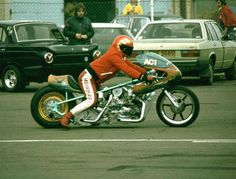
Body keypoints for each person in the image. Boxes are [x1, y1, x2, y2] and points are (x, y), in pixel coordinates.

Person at [59, 35, 154, 128]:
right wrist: (142, 77)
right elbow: (126, 69)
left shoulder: (120, 56)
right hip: (88, 77)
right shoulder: (114, 55)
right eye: (127, 48)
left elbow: (132, 66)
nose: (129, 50)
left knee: (104, 98)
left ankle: (93, 117)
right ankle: (67, 117)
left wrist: (146, 72)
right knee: (91, 100)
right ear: (120, 47)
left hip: (95, 80)